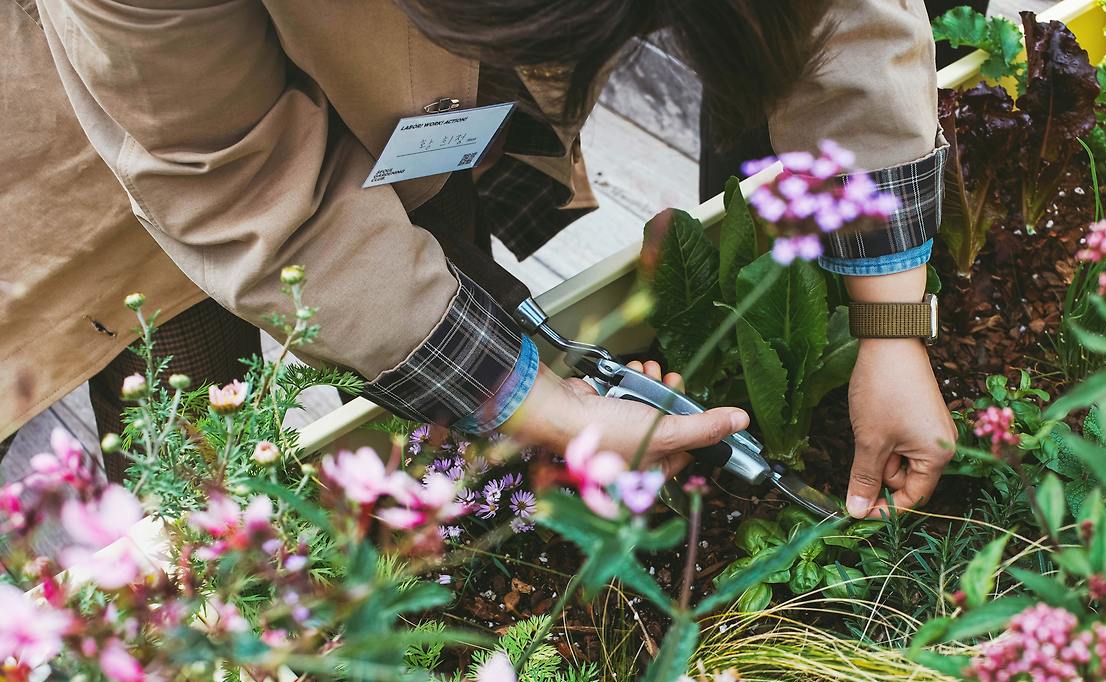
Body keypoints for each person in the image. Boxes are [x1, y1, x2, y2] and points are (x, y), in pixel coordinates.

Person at [6, 0, 955, 517]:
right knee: (179, 383)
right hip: (147, 119)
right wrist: (540, 407)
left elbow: (840, 22)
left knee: (436, 194)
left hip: (415, 80)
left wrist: (892, 323)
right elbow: (234, 188)